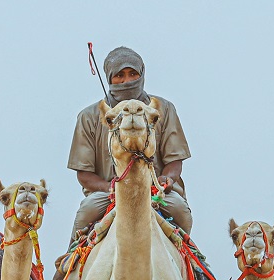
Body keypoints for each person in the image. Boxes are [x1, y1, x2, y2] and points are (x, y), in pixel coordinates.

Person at [66, 45, 193, 249]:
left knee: (179, 209)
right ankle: (67, 268)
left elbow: (175, 161)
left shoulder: (163, 109)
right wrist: (111, 188)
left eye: (133, 74)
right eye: (120, 75)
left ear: (142, 74)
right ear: (109, 78)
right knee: (86, 210)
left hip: (156, 192)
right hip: (108, 194)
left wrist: (165, 180)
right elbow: (84, 174)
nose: (127, 81)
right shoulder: (89, 117)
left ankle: (195, 268)